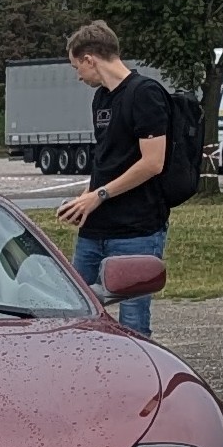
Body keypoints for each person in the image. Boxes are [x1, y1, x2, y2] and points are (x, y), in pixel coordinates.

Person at [55, 20, 170, 337]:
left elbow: (152, 163)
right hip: (95, 229)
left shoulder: (145, 94)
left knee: (132, 321)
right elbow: (106, 160)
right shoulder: (101, 98)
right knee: (74, 310)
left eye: (77, 66)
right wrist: (84, 199)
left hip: (136, 231)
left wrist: (100, 195)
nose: (78, 76)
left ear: (90, 58)